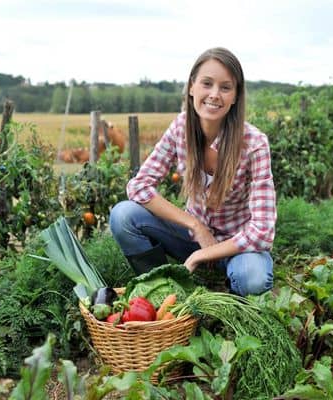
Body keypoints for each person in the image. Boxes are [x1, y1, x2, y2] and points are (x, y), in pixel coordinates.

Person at [109, 47, 276, 296]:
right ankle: (166, 289)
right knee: (123, 215)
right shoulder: (180, 128)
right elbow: (139, 186)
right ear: (191, 87)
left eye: (225, 87)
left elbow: (262, 232)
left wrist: (203, 254)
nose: (214, 94)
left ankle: (225, 295)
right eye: (207, 83)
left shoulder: (254, 143)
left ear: (235, 96)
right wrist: (196, 226)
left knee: (251, 278)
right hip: (189, 238)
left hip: (237, 247)